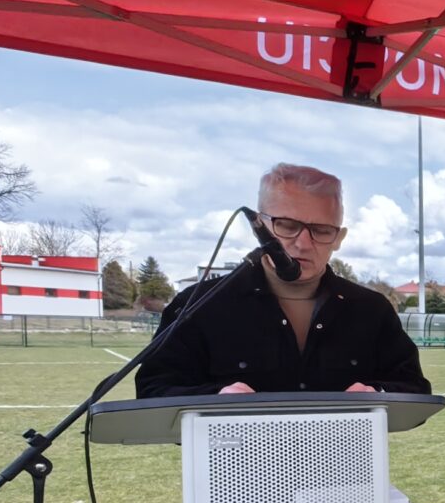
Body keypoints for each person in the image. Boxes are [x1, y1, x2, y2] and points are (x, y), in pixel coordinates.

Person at [137, 164, 429, 399]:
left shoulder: (371, 310)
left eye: (321, 231)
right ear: (260, 227)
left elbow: (415, 387)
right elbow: (154, 389)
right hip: (237, 458)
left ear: (339, 238)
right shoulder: (198, 305)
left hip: (345, 458)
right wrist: (215, 399)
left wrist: (378, 394)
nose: (303, 243)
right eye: (287, 226)